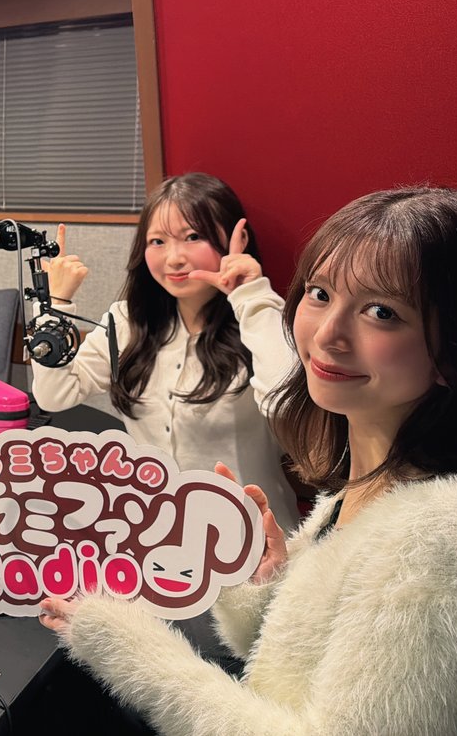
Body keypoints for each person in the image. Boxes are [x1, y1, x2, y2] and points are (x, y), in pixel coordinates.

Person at [39, 186, 457, 735]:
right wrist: (268, 582)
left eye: (382, 312)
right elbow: (296, 657)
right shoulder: (357, 491)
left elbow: (285, 396)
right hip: (165, 545)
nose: (327, 335)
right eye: (320, 293)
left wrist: (130, 649)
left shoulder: (449, 540)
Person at [31, 173, 299, 529]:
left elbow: (288, 404)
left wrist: (249, 294)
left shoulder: (261, 320)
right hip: (153, 534)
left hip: (253, 536)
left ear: (239, 239)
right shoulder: (127, 322)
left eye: (193, 237)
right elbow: (54, 396)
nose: (174, 258)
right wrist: (55, 306)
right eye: (157, 241)